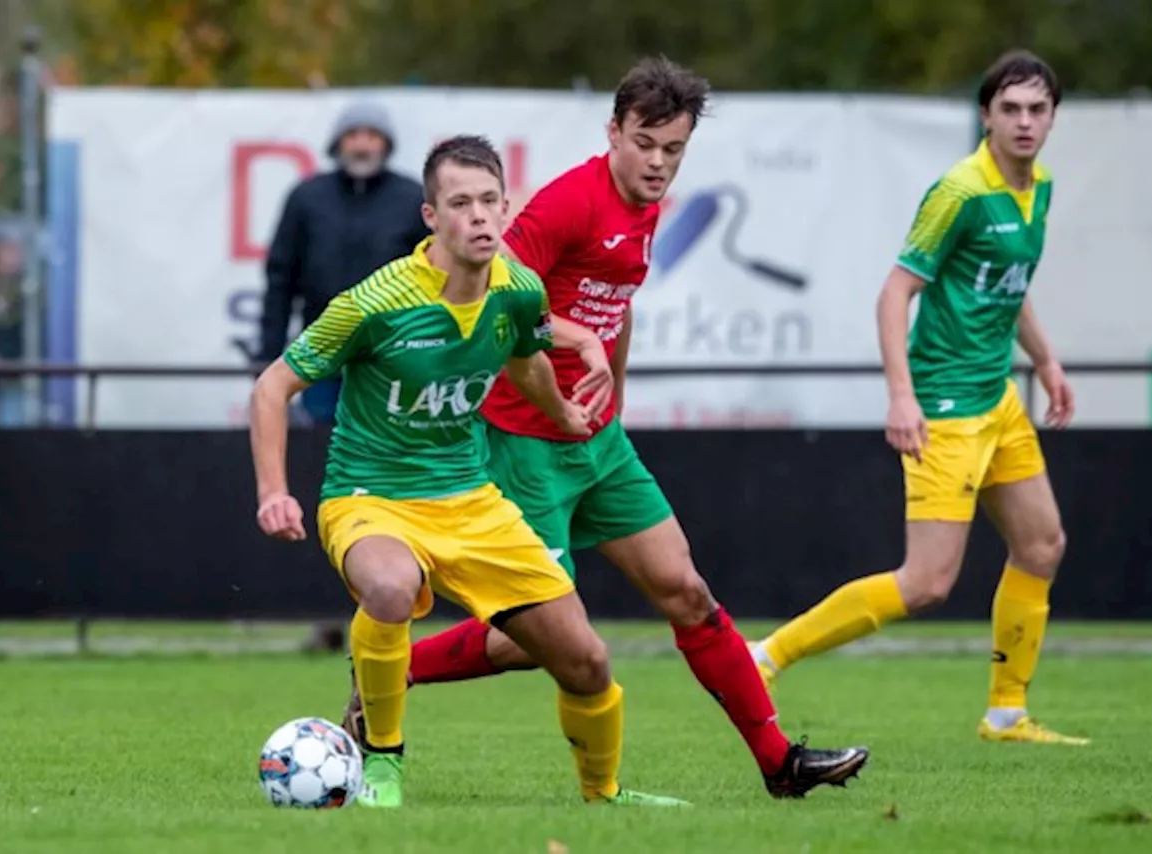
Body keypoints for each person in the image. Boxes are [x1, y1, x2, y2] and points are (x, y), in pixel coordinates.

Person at [342, 56, 870, 799]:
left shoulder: (648, 209)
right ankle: (380, 678)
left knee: (686, 591)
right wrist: (578, 349)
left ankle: (780, 764)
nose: (658, 163)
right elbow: (495, 290)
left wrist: (612, 394)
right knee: (532, 643)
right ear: (613, 132)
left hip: (598, 442)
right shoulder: (566, 206)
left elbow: (613, 310)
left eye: (674, 150)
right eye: (646, 144)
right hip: (524, 442)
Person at [251, 134, 685, 809]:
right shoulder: (374, 303)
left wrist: (564, 413)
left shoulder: (518, 291)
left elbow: (524, 356)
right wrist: (274, 493)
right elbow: (272, 388)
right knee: (392, 591)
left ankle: (604, 795)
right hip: (372, 499)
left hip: (472, 502)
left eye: (489, 201)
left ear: (506, 208)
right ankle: (383, 763)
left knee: (587, 661)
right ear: (431, 217)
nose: (479, 216)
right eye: (460, 203)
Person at [750, 50, 1087, 746]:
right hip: (947, 408)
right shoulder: (960, 192)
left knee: (1042, 543)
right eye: (1010, 109)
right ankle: (765, 657)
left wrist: (1047, 360)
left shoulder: (1041, 186)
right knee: (928, 582)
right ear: (987, 116)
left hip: (998, 400)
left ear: (1053, 116)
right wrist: (901, 398)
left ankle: (1005, 714)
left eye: (1038, 109)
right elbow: (894, 293)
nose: (1025, 122)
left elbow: (1007, 287)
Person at [259, 100, 429, 424]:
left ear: (386, 143)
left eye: (372, 135)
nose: (362, 144)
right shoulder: (306, 197)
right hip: (322, 350)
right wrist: (269, 353)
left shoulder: (413, 199)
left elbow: (438, 276)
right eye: (352, 134)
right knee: (319, 450)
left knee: (385, 450)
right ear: (338, 143)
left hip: (393, 354)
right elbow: (280, 279)